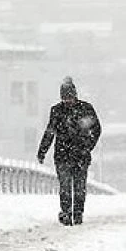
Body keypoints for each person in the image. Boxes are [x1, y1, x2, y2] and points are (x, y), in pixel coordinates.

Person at [36, 76, 102, 226]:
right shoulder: (58, 111)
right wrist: (42, 151)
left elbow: (96, 129)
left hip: (78, 154)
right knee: (66, 186)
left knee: (79, 187)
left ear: (75, 95)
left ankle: (77, 213)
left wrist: (87, 146)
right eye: (65, 98)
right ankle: (66, 213)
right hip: (64, 155)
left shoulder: (85, 109)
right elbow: (50, 132)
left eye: (70, 97)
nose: (68, 101)